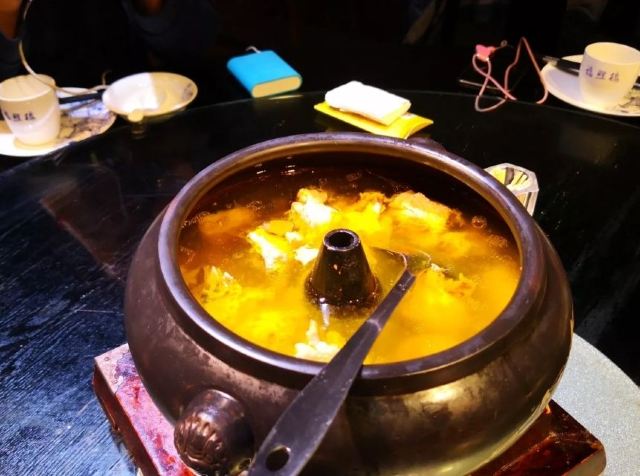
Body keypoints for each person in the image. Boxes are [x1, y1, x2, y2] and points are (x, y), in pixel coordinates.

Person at [0, 0, 219, 95]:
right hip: (27, 139)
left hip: (142, 119)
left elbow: (194, 47)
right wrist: (7, 12)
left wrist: (152, 4)